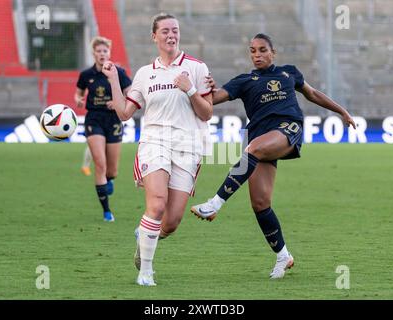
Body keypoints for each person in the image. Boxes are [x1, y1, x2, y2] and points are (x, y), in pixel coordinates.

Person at [191, 33, 356, 279]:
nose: (257, 55)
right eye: (252, 51)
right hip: (259, 138)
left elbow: (312, 94)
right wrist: (198, 90)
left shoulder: (289, 73)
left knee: (253, 148)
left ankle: (214, 204)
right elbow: (212, 101)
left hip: (287, 129)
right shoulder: (244, 80)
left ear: (273, 52)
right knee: (260, 203)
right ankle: (283, 256)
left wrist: (341, 111)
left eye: (262, 50)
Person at [102, 13, 213, 286]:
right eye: (164, 31)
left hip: (187, 147)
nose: (171, 35)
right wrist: (114, 80)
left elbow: (207, 112)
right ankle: (146, 271)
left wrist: (190, 90)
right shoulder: (144, 73)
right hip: (155, 142)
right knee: (157, 204)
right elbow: (125, 113)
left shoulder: (197, 68)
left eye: (175, 30)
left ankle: (145, 235)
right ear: (154, 36)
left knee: (172, 221)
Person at [75, 36, 132, 222]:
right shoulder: (86, 75)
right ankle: (107, 211)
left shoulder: (119, 72)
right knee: (100, 164)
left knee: (112, 171)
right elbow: (79, 92)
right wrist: (78, 99)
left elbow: (130, 94)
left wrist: (118, 102)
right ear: (94, 53)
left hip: (113, 120)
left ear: (109, 53)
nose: (102, 54)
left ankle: (110, 179)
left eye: (105, 51)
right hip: (93, 119)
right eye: (98, 51)